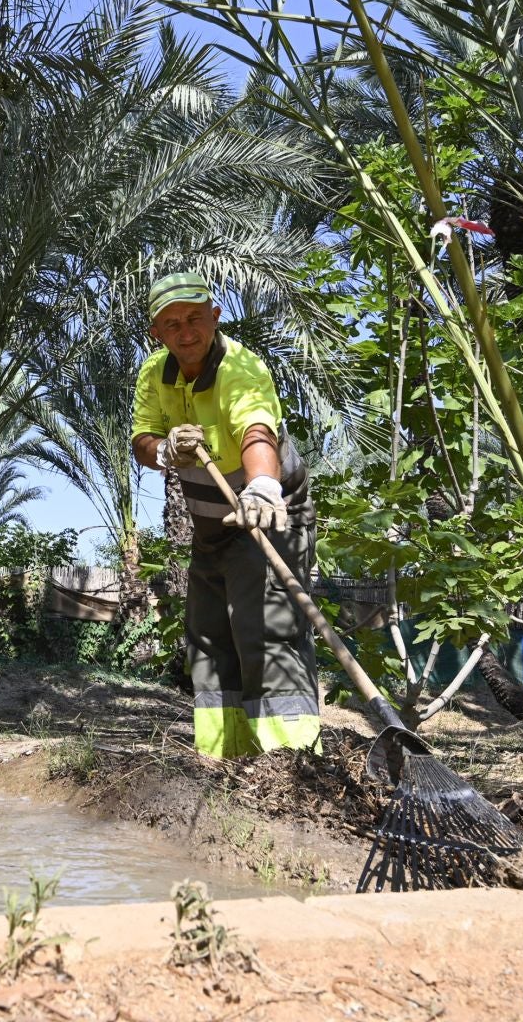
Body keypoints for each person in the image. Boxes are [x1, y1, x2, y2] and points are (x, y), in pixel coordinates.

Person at [131, 272, 320, 758]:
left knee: (266, 629)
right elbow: (142, 441)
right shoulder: (155, 374)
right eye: (171, 324)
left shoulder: (241, 368)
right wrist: (166, 450)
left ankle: (291, 764)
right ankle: (224, 757)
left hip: (269, 515)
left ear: (215, 317)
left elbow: (257, 430)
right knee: (210, 634)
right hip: (210, 526)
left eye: (195, 318)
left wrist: (261, 486)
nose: (185, 331)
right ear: (156, 332)